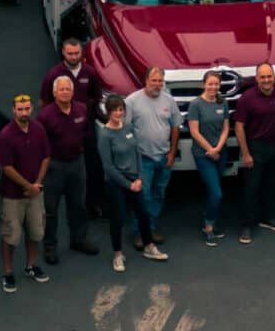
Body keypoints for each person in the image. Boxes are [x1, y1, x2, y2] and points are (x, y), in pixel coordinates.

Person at [234, 63, 275, 241]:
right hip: (256, 148)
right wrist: (246, 153)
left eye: (269, 76)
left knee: (270, 185)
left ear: (274, 77)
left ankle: (266, 218)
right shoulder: (247, 98)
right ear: (257, 79)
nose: (266, 80)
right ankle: (246, 225)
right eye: (262, 77)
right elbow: (239, 126)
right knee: (251, 188)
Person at [99, 94, 165, 268]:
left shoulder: (129, 128)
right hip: (116, 184)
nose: (118, 113)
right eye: (114, 110)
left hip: (135, 181)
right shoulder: (105, 135)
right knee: (118, 219)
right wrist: (128, 184)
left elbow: (137, 154)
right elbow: (108, 167)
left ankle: (149, 246)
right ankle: (118, 254)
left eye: (121, 110)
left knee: (143, 214)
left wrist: (139, 178)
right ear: (108, 112)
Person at [43, 38, 108, 218]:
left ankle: (92, 204)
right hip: (60, 130)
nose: (73, 56)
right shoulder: (53, 75)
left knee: (91, 166)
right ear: (63, 53)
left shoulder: (90, 73)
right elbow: (45, 101)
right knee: (58, 168)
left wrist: (86, 110)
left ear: (82, 53)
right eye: (70, 53)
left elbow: (97, 96)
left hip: (85, 128)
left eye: (76, 53)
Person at [38, 76, 97, 265]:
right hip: (54, 167)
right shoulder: (44, 116)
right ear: (54, 93)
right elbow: (39, 145)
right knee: (50, 209)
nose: (65, 92)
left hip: (77, 164)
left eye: (68, 89)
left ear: (72, 92)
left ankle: (78, 239)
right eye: (61, 89)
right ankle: (50, 246)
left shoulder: (81, 109)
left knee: (78, 205)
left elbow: (86, 132)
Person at [0, 95, 51, 289]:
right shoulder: (5, 135)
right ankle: (8, 272)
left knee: (35, 232)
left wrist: (37, 184)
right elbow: (7, 167)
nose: (24, 112)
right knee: (11, 235)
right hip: (13, 197)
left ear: (32, 108)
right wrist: (28, 186)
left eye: (27, 108)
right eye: (20, 109)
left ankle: (31, 265)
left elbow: (46, 157)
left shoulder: (39, 129)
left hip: (36, 193)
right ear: (13, 110)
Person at [123, 67, 181, 248]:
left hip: (163, 157)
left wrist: (172, 153)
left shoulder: (169, 100)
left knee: (158, 194)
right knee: (143, 197)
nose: (157, 84)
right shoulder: (132, 101)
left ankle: (151, 227)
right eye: (154, 80)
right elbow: (125, 129)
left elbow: (175, 127)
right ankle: (139, 232)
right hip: (143, 158)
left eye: (160, 81)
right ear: (145, 80)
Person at [186, 70, 232, 248]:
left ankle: (211, 220)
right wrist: (210, 150)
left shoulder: (223, 103)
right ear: (203, 84)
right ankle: (208, 226)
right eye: (210, 83)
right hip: (203, 155)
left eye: (216, 84)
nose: (213, 87)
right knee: (216, 192)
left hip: (220, 153)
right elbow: (194, 132)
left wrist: (218, 148)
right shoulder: (196, 105)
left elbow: (226, 128)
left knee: (215, 190)